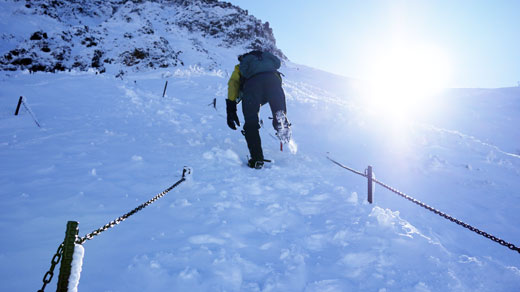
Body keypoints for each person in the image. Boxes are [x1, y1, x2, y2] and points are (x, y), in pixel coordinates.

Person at [226, 50, 290, 169]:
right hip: (273, 81)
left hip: (252, 86)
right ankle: (280, 119)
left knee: (251, 122)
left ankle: (257, 159)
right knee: (278, 109)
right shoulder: (267, 63)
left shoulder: (241, 67)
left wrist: (231, 107)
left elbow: (233, 84)